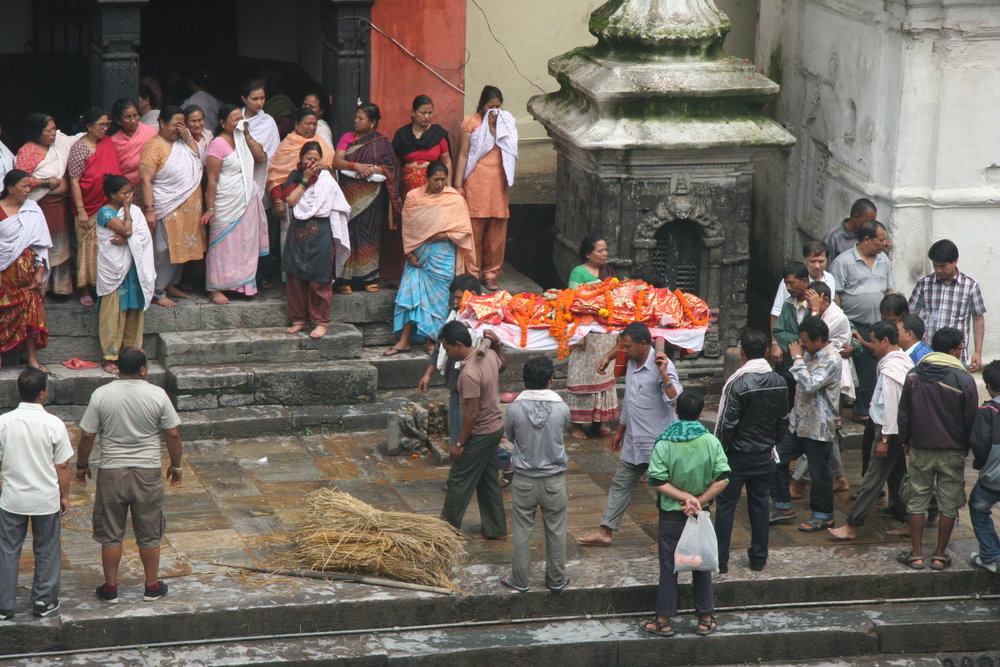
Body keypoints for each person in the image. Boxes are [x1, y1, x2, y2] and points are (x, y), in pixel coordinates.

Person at [76, 347, 183, 604]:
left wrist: (82, 465)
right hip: (147, 471)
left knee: (111, 532)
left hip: (112, 472)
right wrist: (176, 465)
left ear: (117, 368)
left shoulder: (101, 394)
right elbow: (173, 434)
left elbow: (88, 435)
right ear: (143, 369)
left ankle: (111, 588)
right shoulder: (157, 394)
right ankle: (152, 586)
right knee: (149, 532)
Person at [577, 322, 682, 547]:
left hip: (659, 444)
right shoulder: (633, 363)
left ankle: (670, 538)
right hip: (634, 441)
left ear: (643, 344)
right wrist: (620, 431)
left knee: (665, 492)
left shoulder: (662, 365)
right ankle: (605, 530)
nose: (624, 351)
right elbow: (630, 403)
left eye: (628, 347)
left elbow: (676, 401)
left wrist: (664, 375)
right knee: (621, 485)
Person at [641, 391, 729, 638]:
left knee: (668, 568)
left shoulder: (664, 442)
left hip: (671, 515)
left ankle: (663, 620)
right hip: (699, 515)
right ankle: (705, 618)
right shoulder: (711, 442)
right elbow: (723, 478)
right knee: (701, 565)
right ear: (701, 414)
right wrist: (697, 501)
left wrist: (683, 498)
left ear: (676, 411)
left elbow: (657, 479)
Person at [896, 327, 978, 570]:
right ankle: (940, 554)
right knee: (948, 503)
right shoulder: (964, 379)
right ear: (953, 350)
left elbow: (904, 415)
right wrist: (966, 447)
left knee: (916, 500)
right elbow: (970, 418)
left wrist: (906, 441)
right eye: (962, 348)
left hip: (920, 448)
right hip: (952, 450)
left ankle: (917, 553)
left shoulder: (914, 374)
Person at [828, 320, 913, 540]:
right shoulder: (901, 360)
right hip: (894, 431)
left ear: (886, 341)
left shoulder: (892, 369)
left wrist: (884, 438)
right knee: (896, 476)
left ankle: (852, 524)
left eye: (874, 341)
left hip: (888, 432)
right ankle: (903, 513)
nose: (871, 345)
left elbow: (892, 406)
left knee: (873, 479)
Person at [0, 368, 72, 620]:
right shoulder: (54, 424)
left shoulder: (4, 423)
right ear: (43, 393)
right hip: (45, 498)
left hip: (12, 498)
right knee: (47, 548)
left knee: (7, 549)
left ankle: (4, 604)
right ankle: (43, 600)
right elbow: (62, 465)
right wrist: (64, 495)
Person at [714, 328, 787, 573]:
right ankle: (758, 558)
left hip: (736, 456)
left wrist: (720, 454)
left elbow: (726, 424)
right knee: (759, 506)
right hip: (764, 453)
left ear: (742, 353)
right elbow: (783, 420)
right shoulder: (778, 381)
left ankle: (720, 561)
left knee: (725, 507)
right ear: (766, 351)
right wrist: (772, 443)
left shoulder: (737, 382)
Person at [386, 161, 474, 355]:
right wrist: (409, 254)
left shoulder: (454, 199)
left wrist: (441, 235)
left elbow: (463, 230)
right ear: (427, 179)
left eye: (443, 179)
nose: (440, 183)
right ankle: (404, 340)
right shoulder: (413, 197)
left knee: (439, 301)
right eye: (436, 179)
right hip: (418, 256)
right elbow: (408, 227)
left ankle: (432, 340)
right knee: (409, 295)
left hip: (443, 256)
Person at [500, 356, 571, 593]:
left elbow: (510, 438)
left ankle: (519, 580)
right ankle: (556, 579)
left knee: (522, 532)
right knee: (556, 531)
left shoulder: (515, 409)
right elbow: (563, 431)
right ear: (550, 380)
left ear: (525, 380)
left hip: (524, 480)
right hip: (554, 480)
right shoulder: (562, 408)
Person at [270, 142, 350, 339]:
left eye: (316, 159)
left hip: (321, 233)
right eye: (308, 158)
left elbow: (339, 205)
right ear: (301, 159)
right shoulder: (294, 177)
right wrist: (305, 180)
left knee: (319, 278)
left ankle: (321, 322)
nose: (312, 162)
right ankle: (298, 319)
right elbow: (291, 200)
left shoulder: (327, 180)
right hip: (297, 232)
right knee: (294, 277)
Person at [770, 316, 841, 531]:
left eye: (805, 341)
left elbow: (810, 384)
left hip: (818, 425)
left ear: (819, 339)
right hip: (798, 422)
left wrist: (797, 359)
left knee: (819, 473)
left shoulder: (831, 359)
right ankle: (783, 506)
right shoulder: (809, 353)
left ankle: (824, 516)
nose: (802, 345)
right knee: (776, 459)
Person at [438, 321, 508, 539]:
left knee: (458, 480)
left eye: (448, 349)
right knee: (487, 481)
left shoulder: (469, 372)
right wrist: (497, 346)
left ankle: (445, 532)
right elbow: (502, 365)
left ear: (458, 344)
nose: (448, 354)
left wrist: (459, 444)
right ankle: (495, 529)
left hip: (481, 432)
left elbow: (471, 413)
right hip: (495, 427)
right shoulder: (488, 356)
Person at [787, 280, 852, 496]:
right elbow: (808, 336)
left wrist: (797, 358)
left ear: (824, 299)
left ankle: (800, 483)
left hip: (821, 406)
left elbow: (814, 333)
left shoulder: (835, 323)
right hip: (804, 415)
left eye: (811, 300)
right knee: (823, 444)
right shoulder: (811, 346)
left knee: (819, 458)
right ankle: (840, 477)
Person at [201, 104, 269, 305]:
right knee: (222, 245)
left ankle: (243, 284)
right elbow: (212, 180)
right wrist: (210, 207)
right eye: (235, 119)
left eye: (242, 118)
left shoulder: (243, 139)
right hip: (225, 200)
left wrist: (247, 135)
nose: (240, 122)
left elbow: (261, 158)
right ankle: (216, 287)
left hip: (246, 200)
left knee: (244, 244)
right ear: (223, 123)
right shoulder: (217, 144)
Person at [139, 105, 205, 307]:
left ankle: (171, 285)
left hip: (188, 208)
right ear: (162, 123)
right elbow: (146, 180)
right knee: (164, 250)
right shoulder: (154, 146)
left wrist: (187, 137)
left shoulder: (184, 143)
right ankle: (157, 292)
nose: (180, 128)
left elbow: (197, 157)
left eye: (182, 124)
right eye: (176, 124)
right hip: (166, 206)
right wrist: (150, 209)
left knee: (183, 247)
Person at [332, 102, 401, 294]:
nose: (355, 121)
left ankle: (369, 277)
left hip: (373, 197)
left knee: (369, 234)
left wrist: (374, 169)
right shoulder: (347, 138)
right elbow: (336, 161)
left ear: (372, 122)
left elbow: (391, 168)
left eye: (360, 118)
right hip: (349, 193)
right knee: (350, 233)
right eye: (355, 117)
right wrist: (357, 166)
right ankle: (344, 279)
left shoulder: (382, 142)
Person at [453, 85, 517, 291]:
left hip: (498, 182)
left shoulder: (506, 123)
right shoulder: (470, 122)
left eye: (498, 106)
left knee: (497, 233)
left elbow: (511, 150)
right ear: (482, 105)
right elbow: (463, 155)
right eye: (490, 107)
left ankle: (491, 273)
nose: (494, 111)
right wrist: (457, 184)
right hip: (475, 181)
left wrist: (494, 129)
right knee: (474, 230)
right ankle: (472, 274)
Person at [829, 220, 893, 421]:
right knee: (860, 368)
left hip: (878, 324)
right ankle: (861, 410)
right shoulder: (843, 261)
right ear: (867, 239)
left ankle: (872, 408)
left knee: (877, 367)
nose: (885, 243)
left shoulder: (884, 260)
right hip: (854, 324)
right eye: (880, 240)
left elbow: (888, 289)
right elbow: (836, 295)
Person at [388, 95, 453, 285]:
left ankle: (431, 275)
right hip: (408, 190)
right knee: (410, 228)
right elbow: (396, 165)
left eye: (430, 113)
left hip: (434, 190)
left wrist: (447, 187)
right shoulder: (402, 135)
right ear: (413, 113)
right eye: (423, 113)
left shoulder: (438, 135)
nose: (427, 116)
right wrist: (395, 193)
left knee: (432, 228)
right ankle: (409, 275)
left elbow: (447, 160)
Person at [14, 113, 78, 297]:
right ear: (38, 132)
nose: (54, 134)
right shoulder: (29, 150)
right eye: (49, 131)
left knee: (60, 245)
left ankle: (60, 289)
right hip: (40, 207)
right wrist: (45, 183)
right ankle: (43, 289)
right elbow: (20, 179)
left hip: (59, 207)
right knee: (42, 246)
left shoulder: (58, 147)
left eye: (54, 130)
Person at [96, 175, 154, 375]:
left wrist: (128, 239)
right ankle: (110, 356)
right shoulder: (105, 212)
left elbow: (140, 235)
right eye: (124, 193)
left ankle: (132, 354)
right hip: (114, 269)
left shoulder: (135, 211)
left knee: (134, 310)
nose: (129, 196)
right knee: (113, 313)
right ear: (112, 195)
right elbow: (127, 231)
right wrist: (128, 211)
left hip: (133, 267)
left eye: (130, 191)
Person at [418, 273, 485, 445]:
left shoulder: (487, 320)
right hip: (455, 384)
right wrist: (428, 375)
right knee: (459, 429)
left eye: (458, 298)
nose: (455, 302)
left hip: (473, 386)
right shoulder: (455, 314)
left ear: (473, 296)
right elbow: (441, 347)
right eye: (453, 298)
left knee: (473, 432)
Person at [268, 107, 336, 275]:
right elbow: (276, 175)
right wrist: (277, 201)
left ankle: (314, 275)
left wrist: (327, 166)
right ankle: (291, 279)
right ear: (297, 124)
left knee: (316, 246)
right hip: (292, 204)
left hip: (319, 208)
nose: (311, 127)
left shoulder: (322, 145)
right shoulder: (287, 145)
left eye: (314, 124)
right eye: (307, 124)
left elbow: (333, 169)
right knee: (293, 244)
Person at [565, 235, 619, 440]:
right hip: (586, 332)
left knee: (603, 377)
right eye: (600, 250)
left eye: (606, 250)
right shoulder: (579, 272)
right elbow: (573, 300)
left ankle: (599, 422)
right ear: (588, 254)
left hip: (606, 333)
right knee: (583, 377)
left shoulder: (610, 272)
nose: (605, 254)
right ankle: (577, 424)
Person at [67, 106, 122, 307]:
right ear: (89, 126)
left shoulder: (108, 143)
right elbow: (74, 181)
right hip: (87, 206)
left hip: (108, 205)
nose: (105, 128)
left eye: (107, 124)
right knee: (86, 248)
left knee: (106, 246)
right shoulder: (79, 148)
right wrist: (81, 210)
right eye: (101, 125)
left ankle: (103, 285)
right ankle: (84, 287)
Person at [907, 239, 986, 372]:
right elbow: (911, 316)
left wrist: (978, 352)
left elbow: (978, 319)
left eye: (943, 266)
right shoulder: (924, 284)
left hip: (955, 355)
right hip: (927, 353)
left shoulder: (970, 286)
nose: (938, 270)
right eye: (935, 265)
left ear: (955, 261)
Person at [0, 170, 51, 372]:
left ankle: (32, 359)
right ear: (11, 188)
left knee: (31, 313)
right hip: (3, 276)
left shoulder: (33, 210)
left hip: (27, 277)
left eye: (30, 186)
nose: (28, 190)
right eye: (24, 186)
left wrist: (39, 272)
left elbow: (41, 245)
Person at [969, 360, 1000, 573]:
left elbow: (980, 444)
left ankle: (990, 555)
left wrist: (980, 467)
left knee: (978, 508)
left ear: (988, 386)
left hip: (993, 476)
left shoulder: (988, 410)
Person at [769, 241, 836, 331]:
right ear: (805, 260)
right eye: (813, 261)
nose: (817, 266)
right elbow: (776, 313)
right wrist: (775, 343)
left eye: (821, 261)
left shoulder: (830, 278)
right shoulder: (790, 282)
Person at [109, 98, 157, 208]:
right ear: (118, 120)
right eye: (128, 117)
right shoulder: (114, 142)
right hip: (128, 192)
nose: (133, 120)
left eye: (135, 116)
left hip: (153, 187)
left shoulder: (150, 132)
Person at [181, 68, 221, 132]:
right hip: (213, 133)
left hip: (199, 134)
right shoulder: (214, 100)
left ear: (190, 82)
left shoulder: (192, 100)